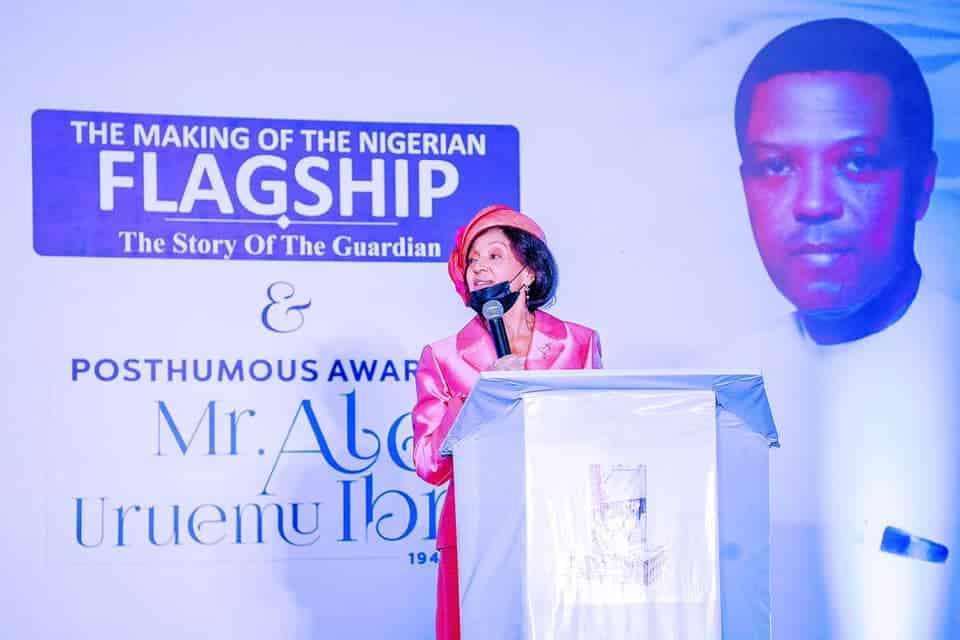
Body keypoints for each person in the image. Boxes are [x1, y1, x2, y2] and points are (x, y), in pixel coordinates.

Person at [728, 18, 960, 639]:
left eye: (857, 162)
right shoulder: (723, 390)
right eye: (777, 166)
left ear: (921, 184)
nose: (813, 204)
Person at [412, 204, 602, 640]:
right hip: (477, 528)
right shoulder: (442, 356)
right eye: (472, 260)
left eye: (494, 256)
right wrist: (479, 399)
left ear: (529, 271)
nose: (478, 268)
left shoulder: (579, 342)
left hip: (563, 523)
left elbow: (596, 436)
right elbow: (428, 464)